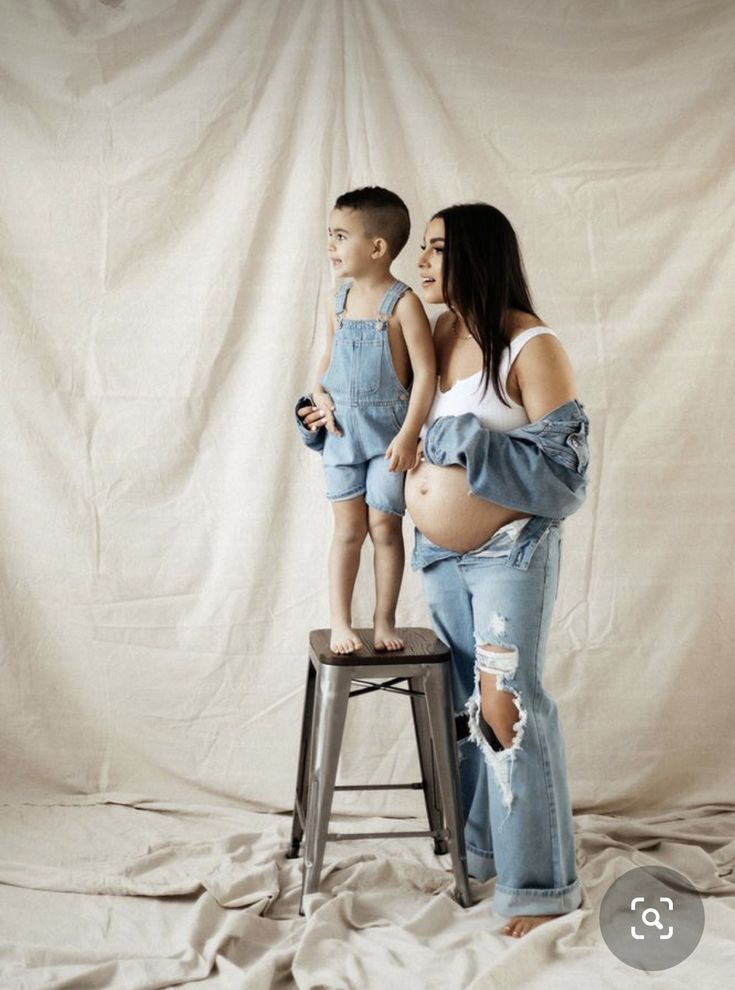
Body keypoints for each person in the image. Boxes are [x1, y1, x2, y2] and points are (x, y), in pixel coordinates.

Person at [299, 201, 589, 938]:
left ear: (478, 258)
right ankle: (486, 850)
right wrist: (322, 419)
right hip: (438, 555)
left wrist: (464, 439)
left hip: (507, 553)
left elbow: (566, 474)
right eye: (421, 250)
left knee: (508, 710)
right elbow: (382, 415)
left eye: (435, 251)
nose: (419, 264)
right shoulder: (437, 330)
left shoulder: (531, 345)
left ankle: (541, 887)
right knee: (468, 713)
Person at [296, 187, 435, 654]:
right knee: (348, 531)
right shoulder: (338, 299)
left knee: (384, 529)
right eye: (330, 236)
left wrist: (409, 433)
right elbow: (326, 362)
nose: (331, 246)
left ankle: (384, 620)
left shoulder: (402, 303)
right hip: (341, 438)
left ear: (377, 247)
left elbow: (425, 375)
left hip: (387, 441)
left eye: (340, 236)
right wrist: (317, 392)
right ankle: (340, 621)